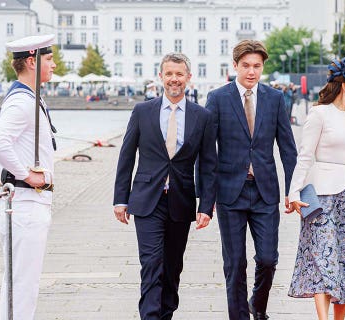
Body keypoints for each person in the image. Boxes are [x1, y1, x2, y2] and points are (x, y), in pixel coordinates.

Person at [113, 53, 217, 320]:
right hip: (147, 200)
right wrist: (119, 199)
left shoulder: (202, 117)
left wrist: (206, 205)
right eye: (169, 74)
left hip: (181, 202)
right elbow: (126, 156)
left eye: (179, 74)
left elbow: (207, 164)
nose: (174, 79)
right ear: (161, 77)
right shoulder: (142, 111)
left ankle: (166, 314)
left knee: (172, 268)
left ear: (188, 78)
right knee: (151, 264)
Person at [205, 39, 298, 320]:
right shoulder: (217, 98)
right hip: (229, 192)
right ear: (235, 66)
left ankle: (257, 304)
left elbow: (288, 148)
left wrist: (293, 191)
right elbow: (207, 152)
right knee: (234, 263)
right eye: (245, 66)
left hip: (265, 192)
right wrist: (206, 199)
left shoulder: (274, 98)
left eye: (257, 66)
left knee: (268, 259)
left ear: (262, 68)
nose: (251, 72)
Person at [286, 57, 345, 320]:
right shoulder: (319, 114)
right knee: (323, 258)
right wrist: (294, 193)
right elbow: (304, 156)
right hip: (322, 197)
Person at [0, 34, 58, 320]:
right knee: (24, 286)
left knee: (17, 283)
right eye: (49, 59)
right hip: (26, 202)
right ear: (32, 61)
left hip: (26, 202)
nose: (53, 65)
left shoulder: (29, 98)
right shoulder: (23, 102)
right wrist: (26, 174)